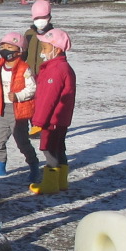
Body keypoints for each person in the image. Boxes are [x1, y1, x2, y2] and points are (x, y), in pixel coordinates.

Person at [29, 29, 77, 195]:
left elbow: (48, 99)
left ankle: (51, 183)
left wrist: (38, 122)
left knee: (49, 148)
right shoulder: (60, 67)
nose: (42, 52)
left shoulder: (56, 70)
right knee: (59, 147)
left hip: (53, 119)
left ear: (56, 50)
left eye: (45, 48)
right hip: (61, 118)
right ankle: (61, 181)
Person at [0, 32, 40, 186]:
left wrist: (18, 96)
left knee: (22, 142)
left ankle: (33, 165)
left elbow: (32, 88)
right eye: (3, 46)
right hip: (3, 109)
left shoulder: (24, 68)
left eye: (9, 47)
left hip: (18, 111)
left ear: (19, 51)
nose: (5, 50)